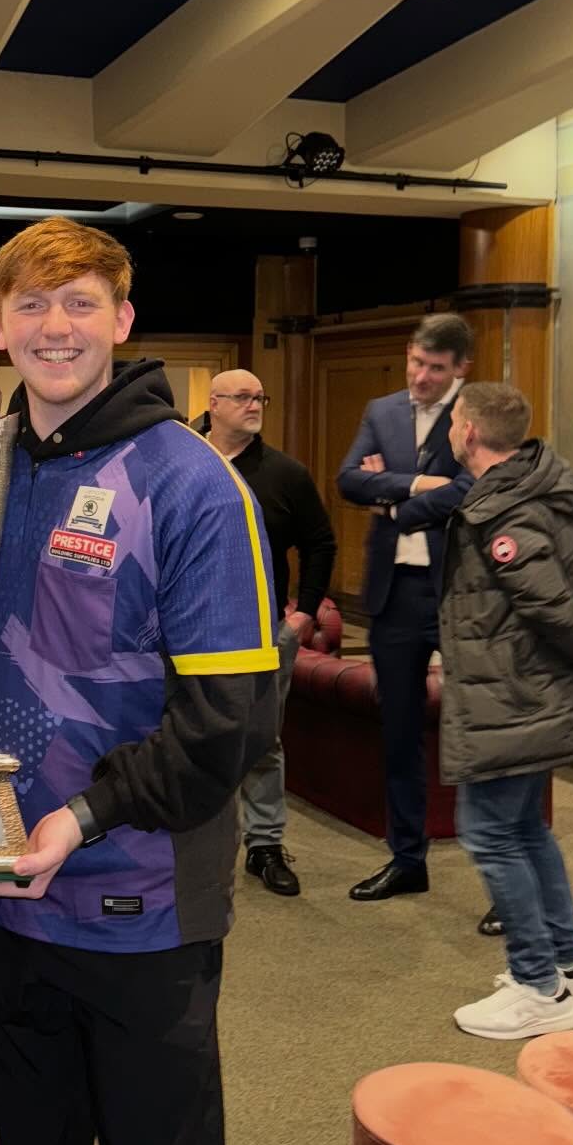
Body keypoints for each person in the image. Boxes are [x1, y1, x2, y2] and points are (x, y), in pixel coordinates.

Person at [0, 218, 281, 1145]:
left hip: (139, 915)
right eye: (32, 306)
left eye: (81, 302)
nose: (56, 327)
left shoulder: (189, 483)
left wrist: (83, 817)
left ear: (124, 321)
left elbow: (229, 726)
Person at [413, 381, 573, 1038]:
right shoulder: (544, 487)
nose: (450, 431)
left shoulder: (504, 510)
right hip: (529, 695)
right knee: (526, 831)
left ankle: (537, 985)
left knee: (491, 835)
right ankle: (569, 968)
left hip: (514, 698)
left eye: (454, 421)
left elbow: (549, 601)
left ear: (469, 432)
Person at [337, 313, 473, 902]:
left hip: (462, 594)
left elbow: (476, 489)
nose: (419, 376)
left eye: (435, 368)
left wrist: (391, 495)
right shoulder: (382, 410)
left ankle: (504, 879)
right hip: (394, 596)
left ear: (460, 369)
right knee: (398, 732)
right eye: (416, 362)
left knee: (479, 733)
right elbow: (348, 480)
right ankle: (407, 859)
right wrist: (419, 485)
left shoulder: (479, 412)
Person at [197, 369, 335, 896]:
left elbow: (320, 543)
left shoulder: (285, 474)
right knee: (185, 732)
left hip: (262, 631)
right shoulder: (184, 458)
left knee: (260, 740)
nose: (254, 405)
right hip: (186, 629)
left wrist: (305, 614)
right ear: (214, 404)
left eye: (260, 397)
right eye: (242, 397)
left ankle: (265, 845)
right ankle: (187, 838)